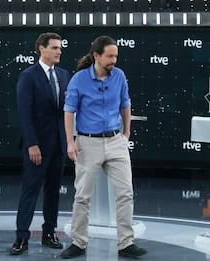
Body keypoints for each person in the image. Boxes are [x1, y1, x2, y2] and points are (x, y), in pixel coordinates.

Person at [61, 36, 147, 259]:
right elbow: (69, 112)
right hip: (88, 143)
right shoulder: (79, 79)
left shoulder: (119, 76)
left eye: (116, 56)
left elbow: (125, 103)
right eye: (110, 56)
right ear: (96, 56)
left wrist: (126, 133)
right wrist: (71, 141)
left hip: (115, 141)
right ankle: (78, 243)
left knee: (126, 193)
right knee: (82, 196)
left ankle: (126, 243)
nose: (114, 60)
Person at [10, 32, 70, 255]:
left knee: (53, 191)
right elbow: (24, 114)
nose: (59, 51)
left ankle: (49, 233)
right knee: (30, 191)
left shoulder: (64, 75)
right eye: (54, 47)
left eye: (60, 47)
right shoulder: (28, 76)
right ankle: (21, 237)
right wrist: (31, 144)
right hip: (37, 146)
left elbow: (67, 110)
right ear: (41, 49)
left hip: (59, 145)